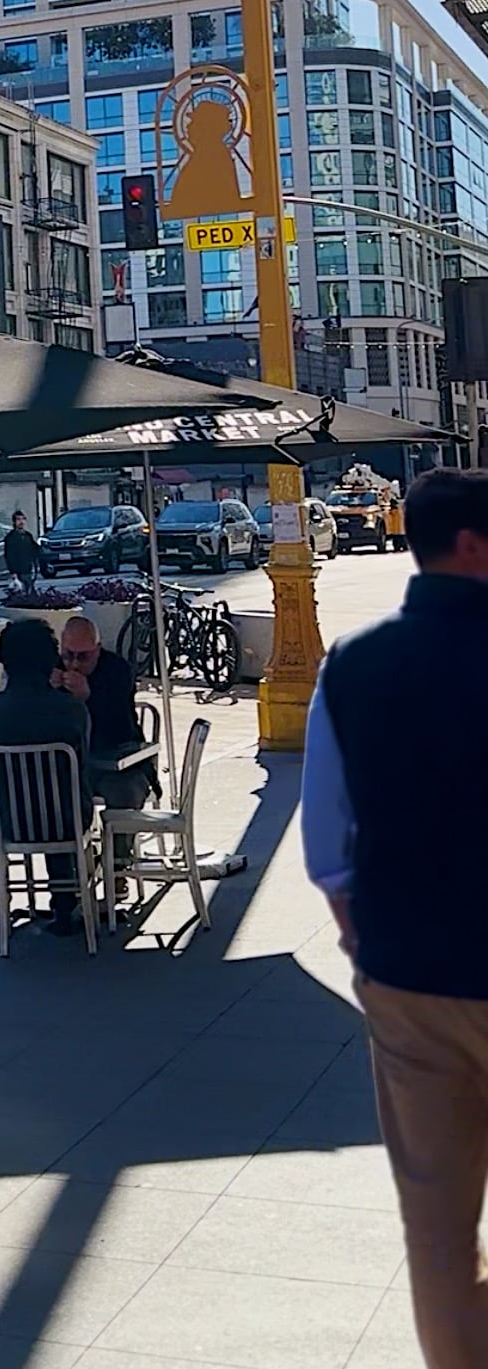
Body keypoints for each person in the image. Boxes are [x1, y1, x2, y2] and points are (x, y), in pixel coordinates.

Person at [302, 465, 488, 1369]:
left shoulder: (350, 666)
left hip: (409, 979)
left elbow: (325, 846)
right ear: (471, 544)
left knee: (438, 1229)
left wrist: (360, 934)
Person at [0, 618, 92, 935]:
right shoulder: (72, 711)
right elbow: (81, 761)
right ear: (49, 661)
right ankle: (66, 903)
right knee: (62, 790)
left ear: (3, 661)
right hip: (68, 820)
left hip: (9, 821)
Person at [57, 616, 156, 876]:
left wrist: (87, 697)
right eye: (69, 655)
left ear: (98, 650)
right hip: (72, 765)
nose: (75, 664)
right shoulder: (53, 670)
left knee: (124, 793)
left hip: (119, 761)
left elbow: (120, 724)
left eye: (83, 657)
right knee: (55, 797)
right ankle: (73, 873)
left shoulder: (118, 670)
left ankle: (117, 867)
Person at [3, 510, 41, 592]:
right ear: (14, 522)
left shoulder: (28, 536)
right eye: (18, 519)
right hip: (18, 571)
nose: (21, 522)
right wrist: (12, 572)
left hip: (28, 570)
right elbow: (9, 556)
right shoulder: (10, 538)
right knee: (20, 593)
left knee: (30, 592)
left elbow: (35, 551)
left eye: (23, 519)